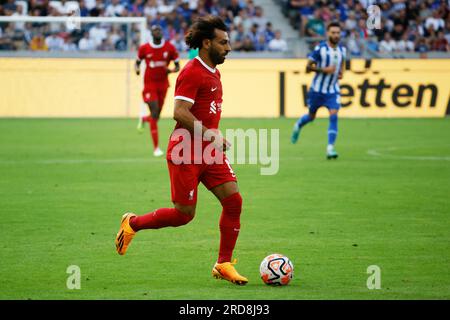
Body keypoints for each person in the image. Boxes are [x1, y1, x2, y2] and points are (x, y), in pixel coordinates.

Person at [116, 16, 248, 286]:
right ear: (207, 43)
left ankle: (223, 264)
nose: (228, 47)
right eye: (223, 43)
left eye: (228, 42)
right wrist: (209, 132)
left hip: (208, 151)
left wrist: (212, 135)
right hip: (185, 151)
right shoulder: (191, 71)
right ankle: (132, 223)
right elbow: (179, 111)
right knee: (184, 215)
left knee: (234, 201)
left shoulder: (214, 72)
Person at [291, 21, 346, 159]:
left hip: (333, 90)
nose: (336, 35)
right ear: (328, 33)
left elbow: (343, 63)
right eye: (333, 32)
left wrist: (341, 72)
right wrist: (324, 70)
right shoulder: (320, 49)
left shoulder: (342, 50)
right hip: (317, 90)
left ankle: (330, 148)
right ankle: (298, 125)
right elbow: (308, 67)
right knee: (311, 116)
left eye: (338, 33)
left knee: (334, 116)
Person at [135, 25, 180, 157]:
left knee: (156, 116)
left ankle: (144, 119)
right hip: (149, 85)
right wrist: (137, 70)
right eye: (155, 30)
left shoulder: (169, 48)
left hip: (163, 85)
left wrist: (170, 70)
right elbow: (137, 62)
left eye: (160, 30)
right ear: (151, 34)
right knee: (154, 113)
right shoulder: (144, 48)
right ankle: (156, 148)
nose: (158, 32)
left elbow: (178, 66)